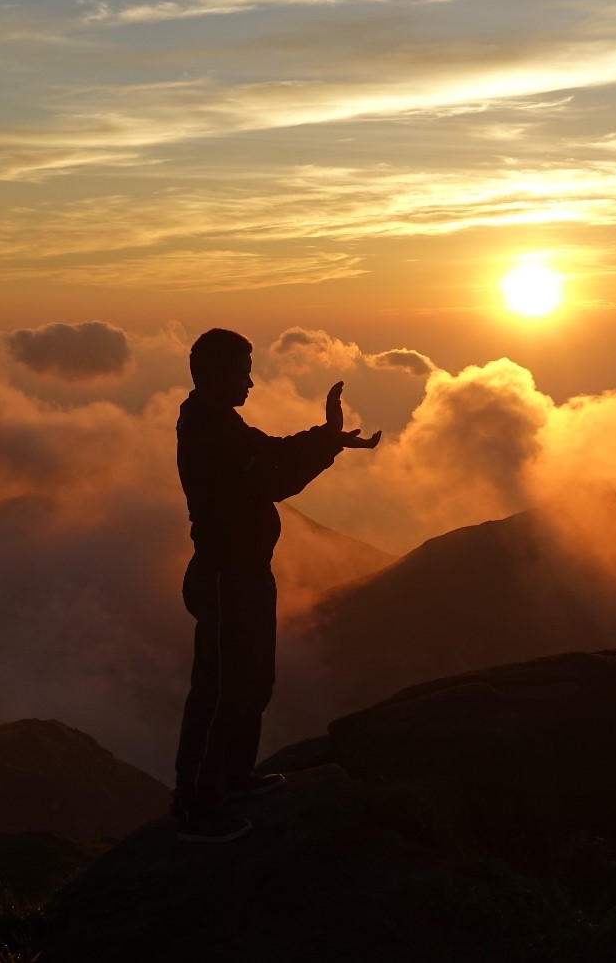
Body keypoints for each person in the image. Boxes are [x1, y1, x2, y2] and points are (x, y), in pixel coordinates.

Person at [171, 327, 381, 843]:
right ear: (214, 375)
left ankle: (235, 777)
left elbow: (270, 452)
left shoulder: (220, 421)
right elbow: (273, 478)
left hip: (246, 573)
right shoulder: (207, 430)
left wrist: (327, 438)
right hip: (225, 576)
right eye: (242, 370)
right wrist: (328, 442)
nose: (250, 380)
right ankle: (194, 807)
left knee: (253, 680)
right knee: (218, 691)